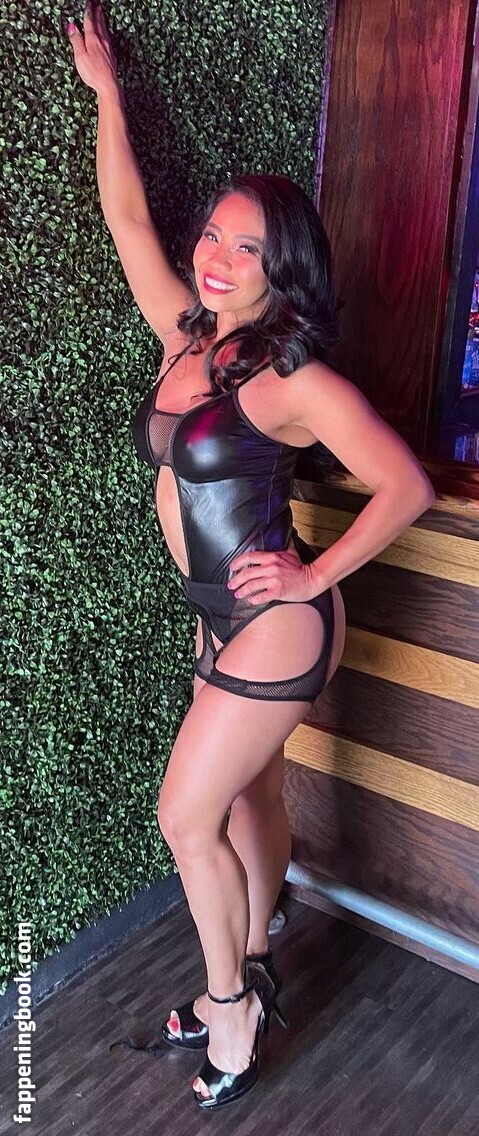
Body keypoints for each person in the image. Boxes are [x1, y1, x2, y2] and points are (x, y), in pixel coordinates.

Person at [67, 2, 436, 1111]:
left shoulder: (290, 377)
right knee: (244, 801)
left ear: (285, 269)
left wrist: (314, 575)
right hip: (215, 614)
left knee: (185, 816)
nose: (219, 259)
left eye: (247, 249)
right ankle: (260, 952)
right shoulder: (187, 333)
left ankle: (228, 1004)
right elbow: (127, 221)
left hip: (277, 623)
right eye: (214, 238)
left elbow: (406, 485)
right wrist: (108, 96)